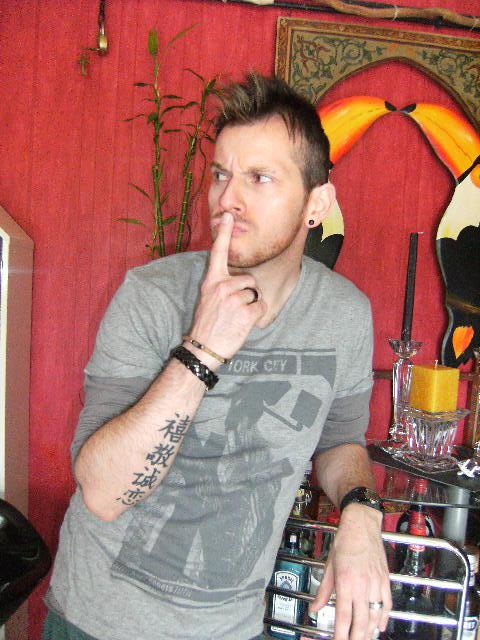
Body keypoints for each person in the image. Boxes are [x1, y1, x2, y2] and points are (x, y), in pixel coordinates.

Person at [43, 72, 391, 640]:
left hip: (231, 628)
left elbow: (339, 441)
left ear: (317, 203)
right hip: (98, 623)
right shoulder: (152, 297)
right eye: (222, 175)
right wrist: (202, 349)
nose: (227, 200)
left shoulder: (345, 315)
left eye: (259, 178)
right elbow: (103, 494)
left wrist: (359, 510)